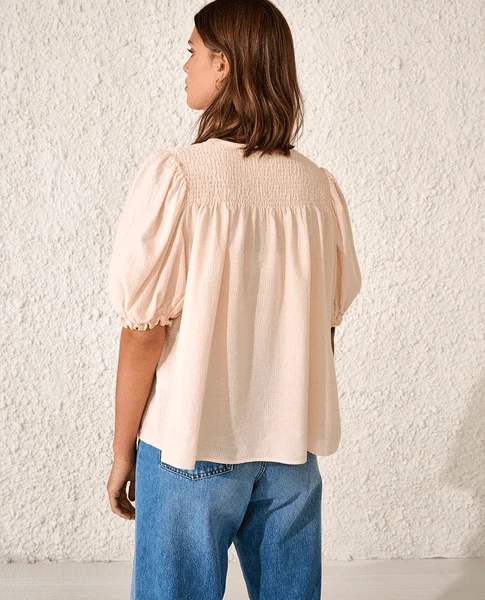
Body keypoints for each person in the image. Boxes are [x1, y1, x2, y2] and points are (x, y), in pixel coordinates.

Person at [106, 1, 362, 598]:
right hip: (289, 454)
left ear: (223, 64)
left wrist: (122, 453)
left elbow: (144, 331)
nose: (185, 65)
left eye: (192, 51)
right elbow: (324, 327)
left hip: (189, 446)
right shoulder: (317, 189)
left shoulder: (179, 178)